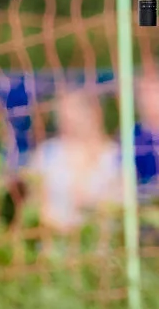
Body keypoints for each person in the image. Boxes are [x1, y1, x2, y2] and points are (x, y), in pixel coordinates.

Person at [32, 85, 121, 233]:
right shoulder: (47, 152)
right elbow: (33, 199)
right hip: (54, 239)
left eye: (74, 114)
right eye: (62, 115)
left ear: (94, 114)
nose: (67, 121)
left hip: (101, 239)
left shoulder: (113, 155)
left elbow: (120, 202)